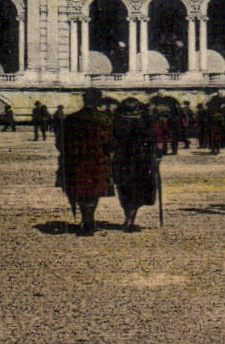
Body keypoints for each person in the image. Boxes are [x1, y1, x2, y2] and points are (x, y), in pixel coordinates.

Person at [57, 89, 116, 236]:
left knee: (80, 190)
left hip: (75, 160)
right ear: (97, 101)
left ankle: (86, 219)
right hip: (97, 160)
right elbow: (110, 142)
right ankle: (89, 221)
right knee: (93, 192)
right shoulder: (104, 119)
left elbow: (60, 143)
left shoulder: (70, 119)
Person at [111, 99, 160, 231]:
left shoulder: (117, 120)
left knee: (124, 189)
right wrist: (156, 156)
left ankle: (128, 216)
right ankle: (130, 218)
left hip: (121, 159)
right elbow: (152, 140)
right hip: (141, 159)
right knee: (137, 188)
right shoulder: (144, 120)